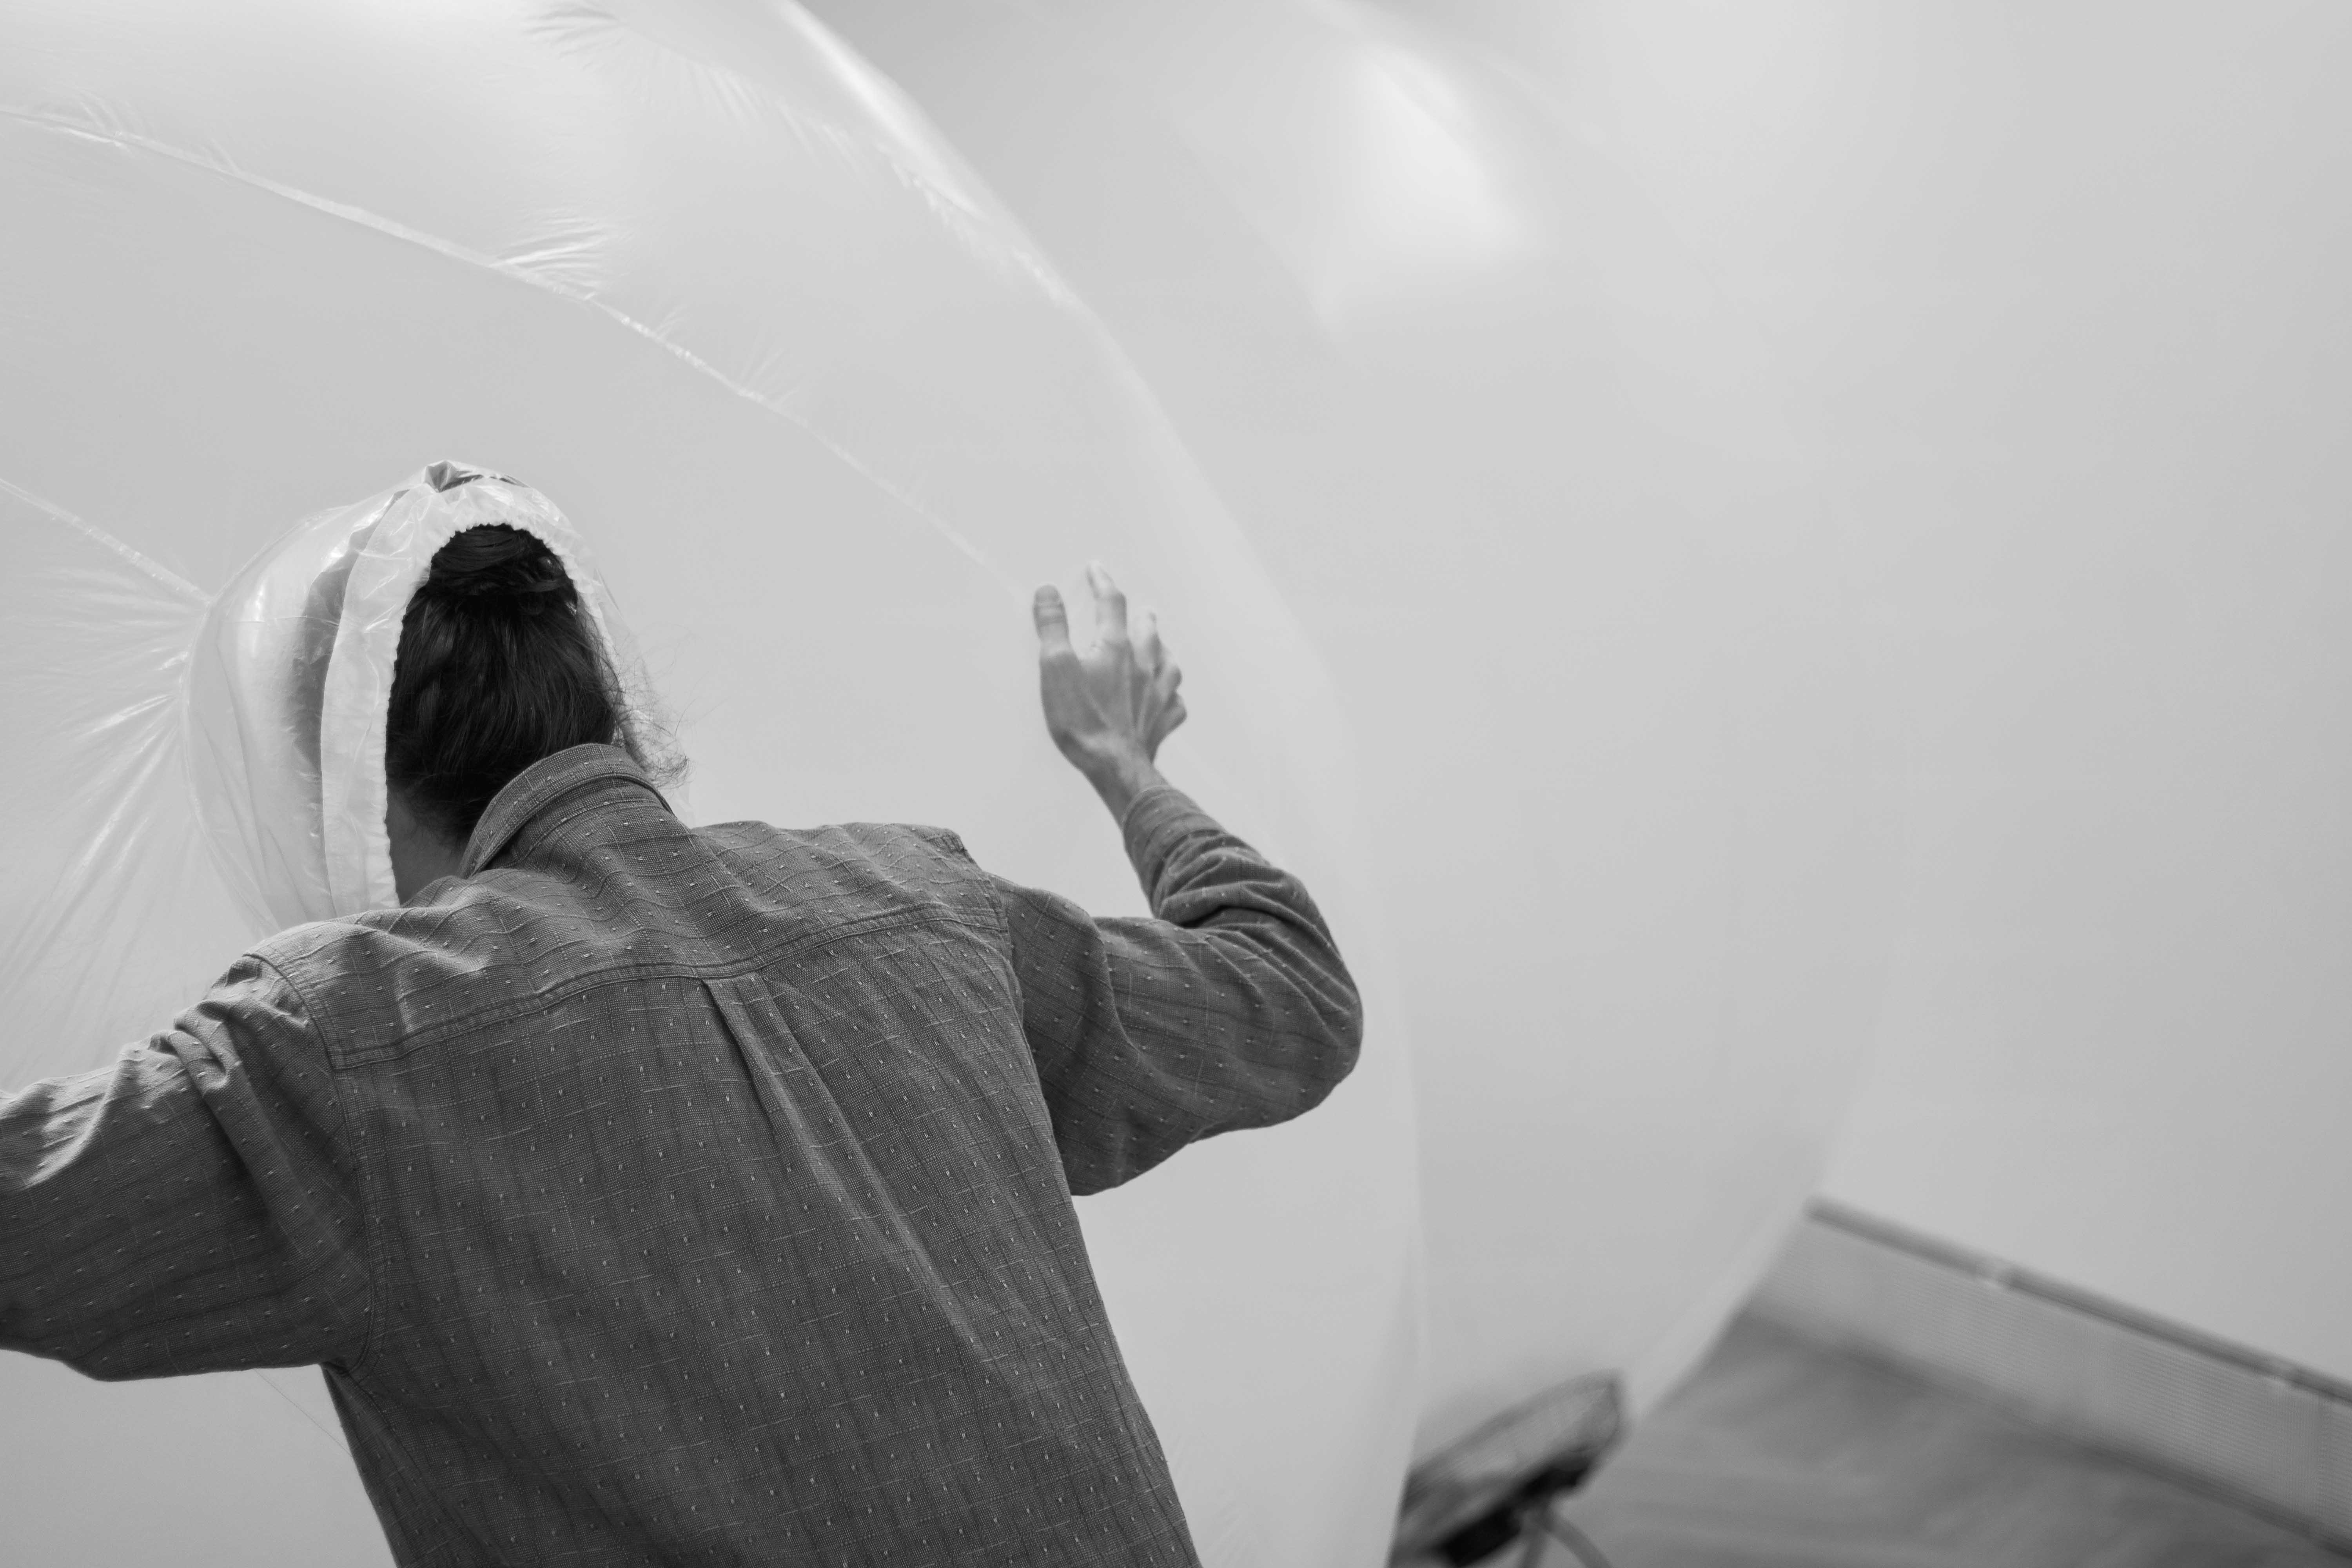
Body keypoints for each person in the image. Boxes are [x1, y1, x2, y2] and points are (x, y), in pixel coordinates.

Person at [0, 521, 1361, 1567]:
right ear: (613, 706)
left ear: (353, 784)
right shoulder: (927, 907)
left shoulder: (335, 1054)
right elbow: (1293, 990)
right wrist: (1126, 764)